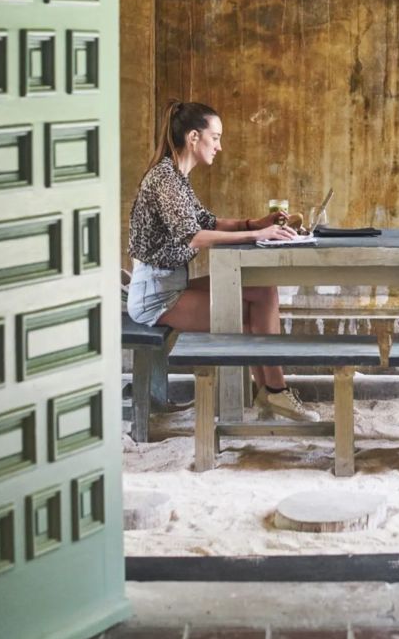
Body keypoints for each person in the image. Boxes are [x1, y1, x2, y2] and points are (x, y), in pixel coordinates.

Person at [127, 99, 319, 422]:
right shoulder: (164, 179)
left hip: (172, 284)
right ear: (193, 137)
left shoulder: (177, 177)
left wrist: (254, 223)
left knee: (263, 291)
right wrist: (258, 235)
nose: (219, 146)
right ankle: (274, 391)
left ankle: (271, 392)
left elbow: (208, 221)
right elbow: (194, 236)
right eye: (214, 137)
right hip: (155, 296)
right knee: (247, 317)